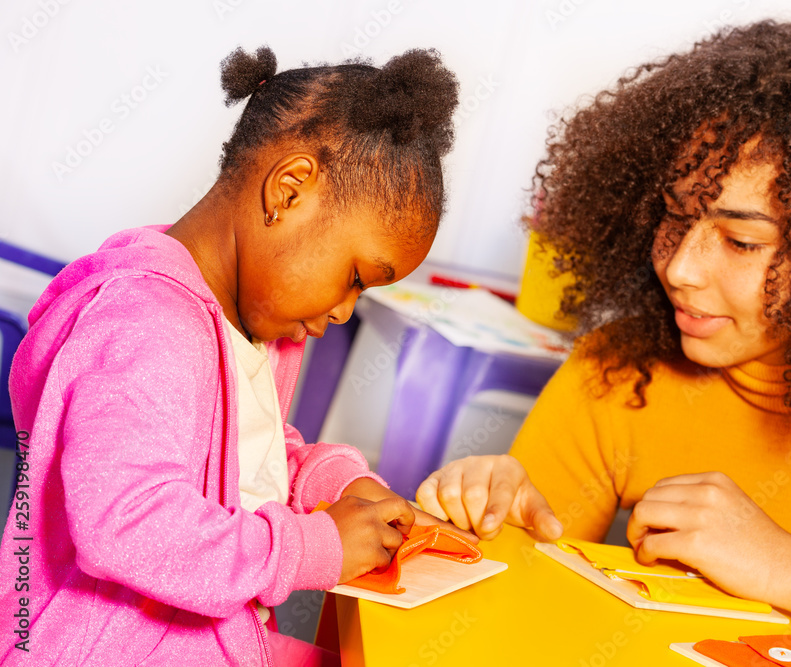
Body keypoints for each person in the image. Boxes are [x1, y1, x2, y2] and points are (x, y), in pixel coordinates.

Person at [417, 16, 791, 666]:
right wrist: (484, 512)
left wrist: (788, 566)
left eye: (742, 241)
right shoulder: (620, 370)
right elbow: (503, 608)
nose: (679, 268)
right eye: (674, 214)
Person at [1, 45, 461, 665]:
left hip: (198, 636)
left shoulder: (246, 323)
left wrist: (339, 481)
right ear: (290, 191)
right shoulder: (146, 325)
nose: (347, 310)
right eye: (355, 276)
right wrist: (307, 548)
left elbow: (244, 458)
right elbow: (126, 524)